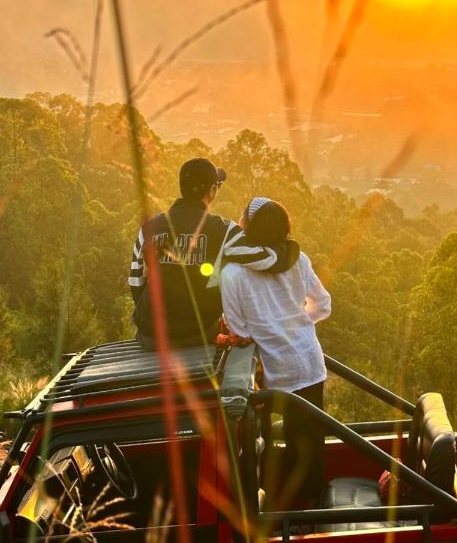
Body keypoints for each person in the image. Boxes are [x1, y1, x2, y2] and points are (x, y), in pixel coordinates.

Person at [220, 197, 332, 508]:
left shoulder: (233, 274)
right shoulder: (299, 260)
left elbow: (239, 331)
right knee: (309, 442)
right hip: (309, 362)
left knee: (263, 442)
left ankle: (276, 510)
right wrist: (297, 324)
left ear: (249, 227)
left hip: (273, 369)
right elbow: (323, 304)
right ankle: (313, 508)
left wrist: (271, 331)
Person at [128, 157, 242, 350]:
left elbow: (136, 282)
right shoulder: (225, 230)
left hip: (151, 337)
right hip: (199, 333)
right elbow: (256, 261)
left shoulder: (148, 228)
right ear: (212, 191)